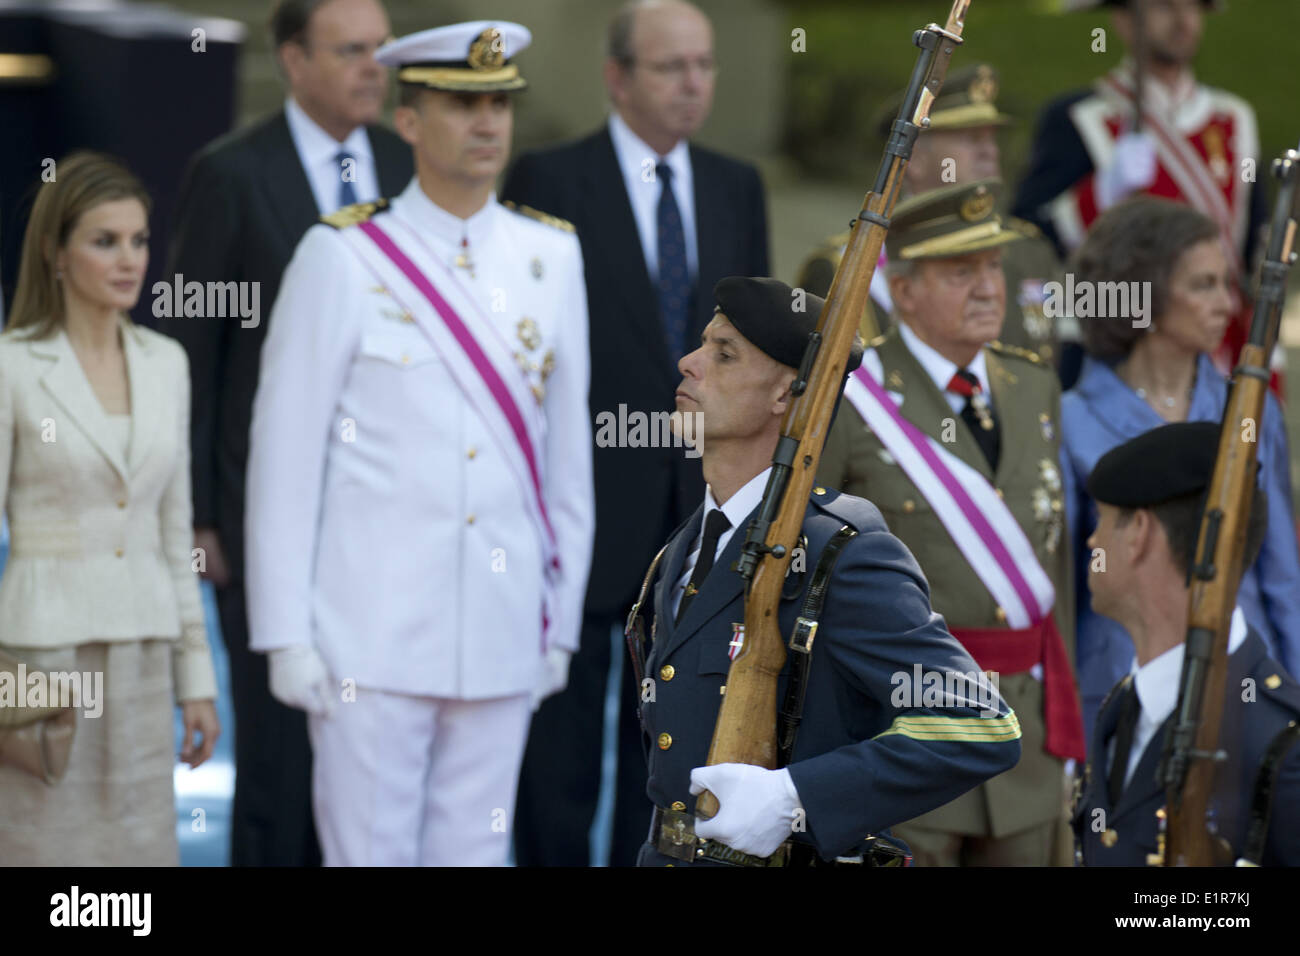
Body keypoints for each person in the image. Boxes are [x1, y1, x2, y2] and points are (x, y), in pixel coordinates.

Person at [244, 20, 594, 867]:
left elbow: (566, 461)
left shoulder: (551, 255)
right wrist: (285, 632)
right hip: (369, 632)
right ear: (408, 120)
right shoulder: (342, 257)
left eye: (499, 105)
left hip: (506, 625)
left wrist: (560, 620)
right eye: (462, 104)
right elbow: (284, 459)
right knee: (369, 854)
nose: (487, 125)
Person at [501, 0, 769, 866]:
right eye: (671, 67)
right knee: (559, 755)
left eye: (705, 65)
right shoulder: (546, 179)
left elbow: (755, 358)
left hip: (696, 514)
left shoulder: (736, 185)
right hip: (580, 511)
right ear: (618, 77)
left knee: (671, 751)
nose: (694, 84)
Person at [632, 276, 1021, 867]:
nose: (689, 363)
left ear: (785, 394)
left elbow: (979, 724)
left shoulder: (842, 552)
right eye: (702, 345)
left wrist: (795, 797)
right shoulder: (683, 549)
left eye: (724, 353)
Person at [158, 0, 412, 866]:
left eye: (381, 49)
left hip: (383, 519)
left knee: (368, 753)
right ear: (294, 60)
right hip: (260, 519)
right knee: (277, 754)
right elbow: (190, 351)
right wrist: (198, 518)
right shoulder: (231, 174)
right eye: (350, 51)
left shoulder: (408, 166)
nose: (373, 67)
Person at [816, 180, 1085, 866]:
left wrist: (1066, 727)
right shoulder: (854, 395)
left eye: (993, 267)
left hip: (1024, 743)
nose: (988, 287)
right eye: (961, 272)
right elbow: (815, 576)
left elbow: (1049, 570)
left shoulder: (1034, 387)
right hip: (908, 739)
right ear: (903, 291)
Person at [0, 152, 219, 864]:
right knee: (44, 852)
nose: (130, 260)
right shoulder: (12, 365)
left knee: (137, 853)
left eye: (139, 240)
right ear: (55, 253)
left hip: (145, 651)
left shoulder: (167, 363)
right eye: (105, 241)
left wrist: (197, 680)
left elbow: (171, 530)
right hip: (41, 657)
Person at [1059, 197, 1300, 740]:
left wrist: (1294, 697)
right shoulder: (1071, 420)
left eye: (1226, 282)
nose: (1227, 303)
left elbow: (1281, 572)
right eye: (1203, 285)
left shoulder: (1254, 411)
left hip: (1244, 688)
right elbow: (1066, 590)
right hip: (1119, 691)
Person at [1074, 421, 1300, 866]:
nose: (1092, 541)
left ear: (1138, 532)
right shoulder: (1121, 708)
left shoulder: (1283, 747)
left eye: (1102, 520)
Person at [1012, 0, 1269, 385]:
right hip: (1115, 345)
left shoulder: (1233, 119)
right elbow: (1027, 236)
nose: (1183, 20)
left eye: (1193, 7)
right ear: (1124, 20)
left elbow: (1253, 244)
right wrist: (1097, 194)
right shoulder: (1079, 118)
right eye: (1165, 6)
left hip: (1216, 343)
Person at [796, 65, 1065, 367]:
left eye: (991, 139)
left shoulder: (1030, 250)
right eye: (971, 139)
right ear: (916, 160)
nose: (990, 152)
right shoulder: (843, 268)